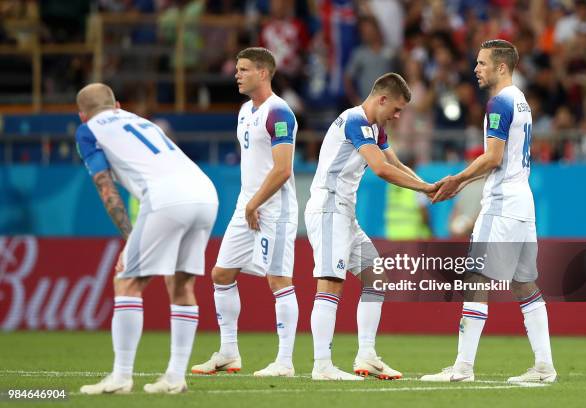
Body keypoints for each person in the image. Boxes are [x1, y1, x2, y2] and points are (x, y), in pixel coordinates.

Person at [421, 39, 557, 383]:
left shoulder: (499, 103)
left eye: (482, 63)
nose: (475, 69)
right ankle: (544, 367)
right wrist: (464, 182)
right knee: (525, 283)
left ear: (501, 67)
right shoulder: (521, 100)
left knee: (475, 279)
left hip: (501, 204)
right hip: (522, 202)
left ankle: (463, 368)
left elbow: (494, 158)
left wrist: (457, 179)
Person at [76, 83, 219, 394]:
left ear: (82, 115)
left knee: (126, 280)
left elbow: (106, 187)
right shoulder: (142, 121)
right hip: (205, 192)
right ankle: (175, 377)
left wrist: (130, 238)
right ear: (116, 105)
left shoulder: (88, 131)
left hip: (166, 198)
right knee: (181, 284)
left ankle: (121, 376)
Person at [305, 72, 438, 380]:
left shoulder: (375, 128)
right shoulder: (354, 121)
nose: (398, 115)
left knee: (376, 275)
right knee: (330, 282)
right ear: (382, 99)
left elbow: (394, 163)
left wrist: (428, 186)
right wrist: (425, 189)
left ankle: (366, 355)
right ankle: (322, 365)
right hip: (328, 208)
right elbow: (380, 169)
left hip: (345, 213)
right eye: (397, 108)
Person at [191, 47, 299, 377]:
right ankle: (228, 352)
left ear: (263, 73)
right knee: (221, 274)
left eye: (244, 69)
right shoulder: (243, 111)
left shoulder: (280, 113)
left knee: (279, 279)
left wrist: (255, 203)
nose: (237, 74)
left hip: (274, 209)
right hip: (247, 206)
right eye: (237, 69)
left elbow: (282, 169)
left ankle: (284, 361)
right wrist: (248, 203)